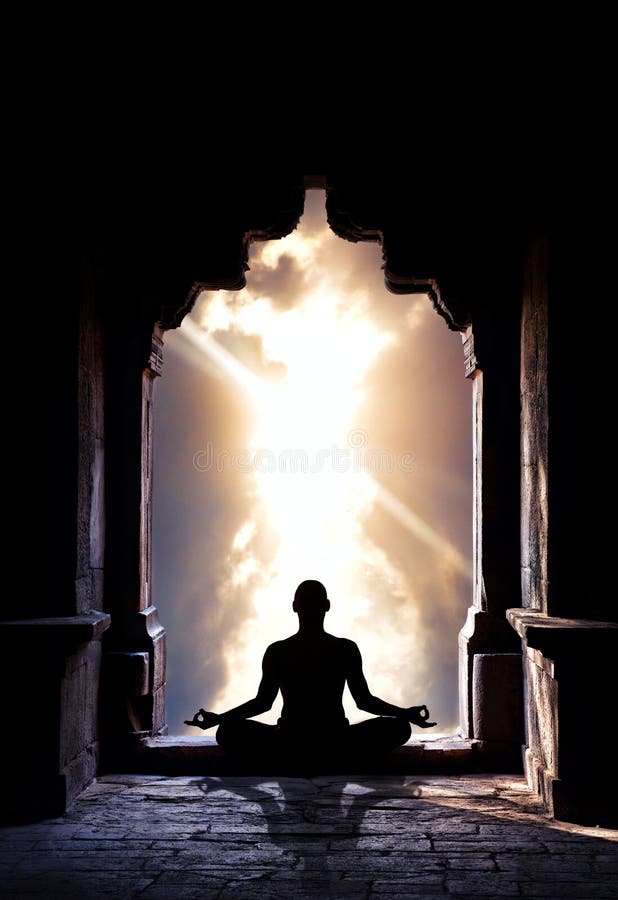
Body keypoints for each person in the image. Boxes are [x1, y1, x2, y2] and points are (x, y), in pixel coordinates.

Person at [185, 579, 436, 769]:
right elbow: (365, 701)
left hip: (289, 742)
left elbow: (262, 703)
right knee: (398, 727)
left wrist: (219, 719)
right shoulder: (344, 648)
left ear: (295, 607)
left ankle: (286, 763)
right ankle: (339, 761)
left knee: (228, 732)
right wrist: (406, 714)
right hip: (336, 742)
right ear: (327, 606)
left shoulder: (279, 650)